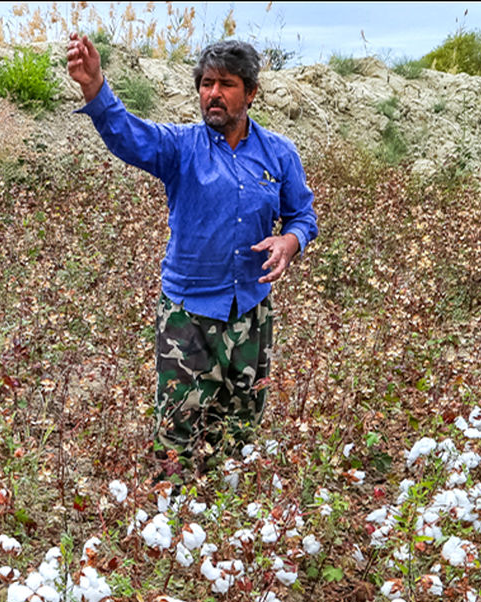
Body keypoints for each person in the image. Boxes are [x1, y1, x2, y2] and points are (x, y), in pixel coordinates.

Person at [66, 35, 318, 468]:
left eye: (226, 84)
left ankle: (229, 518)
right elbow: (128, 134)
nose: (213, 93)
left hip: (250, 313)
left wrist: (290, 241)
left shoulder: (279, 154)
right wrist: (95, 87)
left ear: (251, 92)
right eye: (205, 83)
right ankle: (176, 517)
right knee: (178, 432)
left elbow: (303, 215)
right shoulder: (180, 147)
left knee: (240, 427)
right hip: (187, 312)